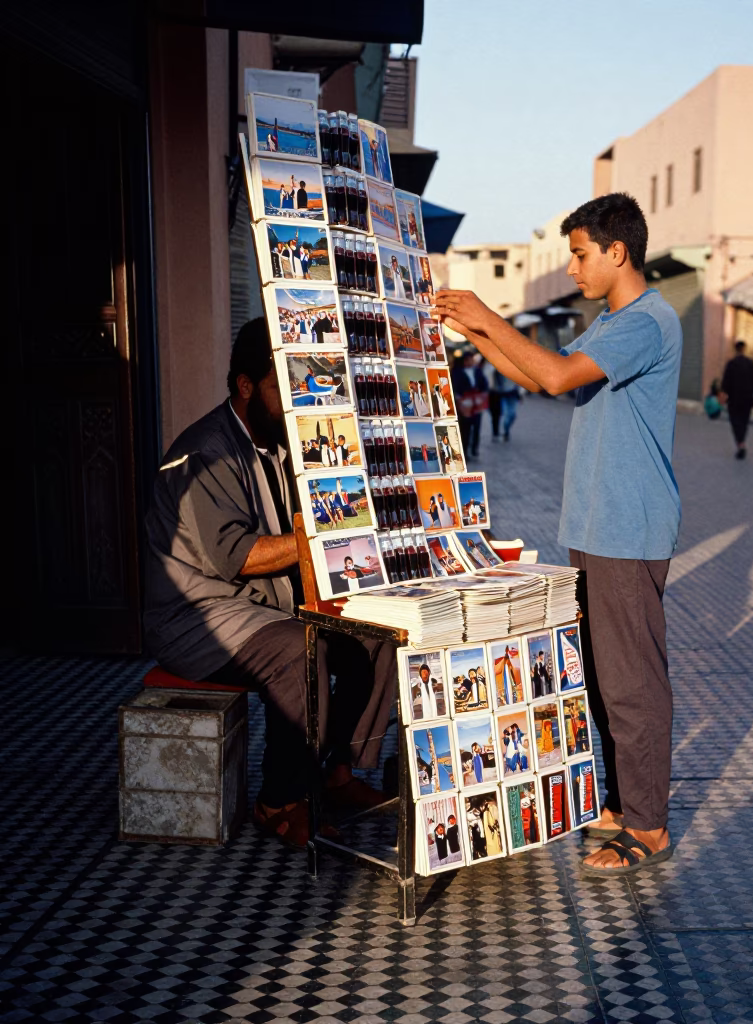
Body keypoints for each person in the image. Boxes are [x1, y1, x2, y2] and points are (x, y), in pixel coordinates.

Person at [435, 192, 677, 876]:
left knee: (632, 681)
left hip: (627, 527)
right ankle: (622, 801)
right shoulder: (612, 322)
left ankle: (649, 824)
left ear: (616, 251)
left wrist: (488, 315)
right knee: (603, 675)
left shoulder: (646, 322)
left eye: (578, 254)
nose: (572, 268)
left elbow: (554, 373)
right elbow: (541, 378)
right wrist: (472, 331)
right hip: (598, 524)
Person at [143, 318, 394, 849]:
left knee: (378, 633)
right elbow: (240, 556)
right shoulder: (207, 452)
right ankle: (278, 799)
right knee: (296, 652)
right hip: (197, 617)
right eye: (287, 386)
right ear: (245, 385)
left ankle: (337, 772)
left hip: (263, 604)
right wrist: (318, 536)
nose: (300, 399)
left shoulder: (281, 439)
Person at [719, 340, 753, 459]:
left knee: (735, 421)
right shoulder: (750, 363)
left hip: (734, 399)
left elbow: (725, 382)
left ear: (735, 349)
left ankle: (740, 444)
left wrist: (722, 396)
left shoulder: (731, 364)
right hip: (747, 398)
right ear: (744, 349)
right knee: (744, 421)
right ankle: (742, 442)